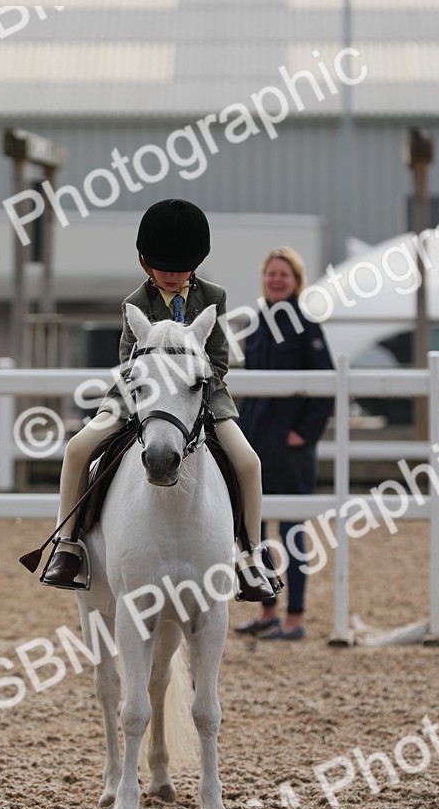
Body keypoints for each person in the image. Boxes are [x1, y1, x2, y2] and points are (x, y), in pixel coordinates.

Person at [39, 198, 277, 601]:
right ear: (144, 262)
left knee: (248, 462)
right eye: (162, 268)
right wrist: (150, 393)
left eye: (179, 268)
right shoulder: (135, 303)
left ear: (196, 263)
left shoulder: (214, 296)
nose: (170, 275)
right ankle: (68, 545)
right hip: (138, 396)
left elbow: (219, 359)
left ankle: (251, 556)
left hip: (201, 395)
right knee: (78, 448)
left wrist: (193, 388)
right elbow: (126, 360)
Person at [234, 247, 334, 640]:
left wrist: (303, 434)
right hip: (256, 445)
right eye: (271, 273)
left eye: (284, 274)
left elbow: (325, 387)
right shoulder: (256, 324)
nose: (276, 280)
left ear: (296, 281)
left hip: (290, 451)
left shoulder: (307, 326)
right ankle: (268, 610)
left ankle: (295, 617)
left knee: (293, 531)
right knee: (255, 532)